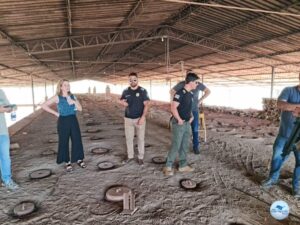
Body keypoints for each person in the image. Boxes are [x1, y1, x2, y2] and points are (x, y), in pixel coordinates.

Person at [262, 84, 300, 197]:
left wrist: (294, 108)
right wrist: (298, 107)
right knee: (277, 157)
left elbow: (289, 107)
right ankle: (272, 178)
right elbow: (280, 104)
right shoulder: (289, 90)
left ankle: (297, 187)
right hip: (285, 135)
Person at [41, 79, 86, 172]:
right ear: (61, 87)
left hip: (73, 119)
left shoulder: (73, 96)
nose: (67, 86)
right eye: (65, 85)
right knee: (64, 141)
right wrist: (56, 114)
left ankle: (78, 159)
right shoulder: (57, 97)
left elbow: (80, 109)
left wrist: (74, 101)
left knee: (77, 139)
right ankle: (67, 161)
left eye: (68, 85)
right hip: (63, 121)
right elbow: (44, 105)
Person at [163, 72, 200, 176]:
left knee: (184, 145)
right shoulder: (180, 93)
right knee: (176, 145)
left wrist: (192, 116)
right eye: (196, 82)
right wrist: (178, 119)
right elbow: (173, 107)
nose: (197, 84)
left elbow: (188, 107)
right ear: (191, 82)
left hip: (187, 123)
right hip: (179, 123)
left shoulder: (190, 94)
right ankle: (168, 166)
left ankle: (183, 166)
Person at [170, 70, 210, 154]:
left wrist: (199, 100)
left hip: (194, 109)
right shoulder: (181, 84)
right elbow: (172, 91)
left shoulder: (198, 84)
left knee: (195, 129)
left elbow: (208, 91)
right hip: (183, 110)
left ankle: (196, 146)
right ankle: (180, 147)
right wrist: (178, 101)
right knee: (182, 129)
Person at [120, 72, 150, 165]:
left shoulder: (143, 91)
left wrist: (143, 117)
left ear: (137, 80)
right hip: (128, 119)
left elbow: (147, 104)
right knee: (129, 139)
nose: (132, 81)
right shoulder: (126, 91)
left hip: (139, 119)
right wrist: (122, 102)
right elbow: (121, 99)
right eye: (130, 80)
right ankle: (130, 156)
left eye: (134, 79)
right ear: (128, 80)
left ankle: (140, 157)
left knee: (140, 139)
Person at [0, 89, 19, 190]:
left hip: (2, 131)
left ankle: (7, 180)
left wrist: (12, 108)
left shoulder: (1, 92)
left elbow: (7, 106)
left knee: (5, 158)